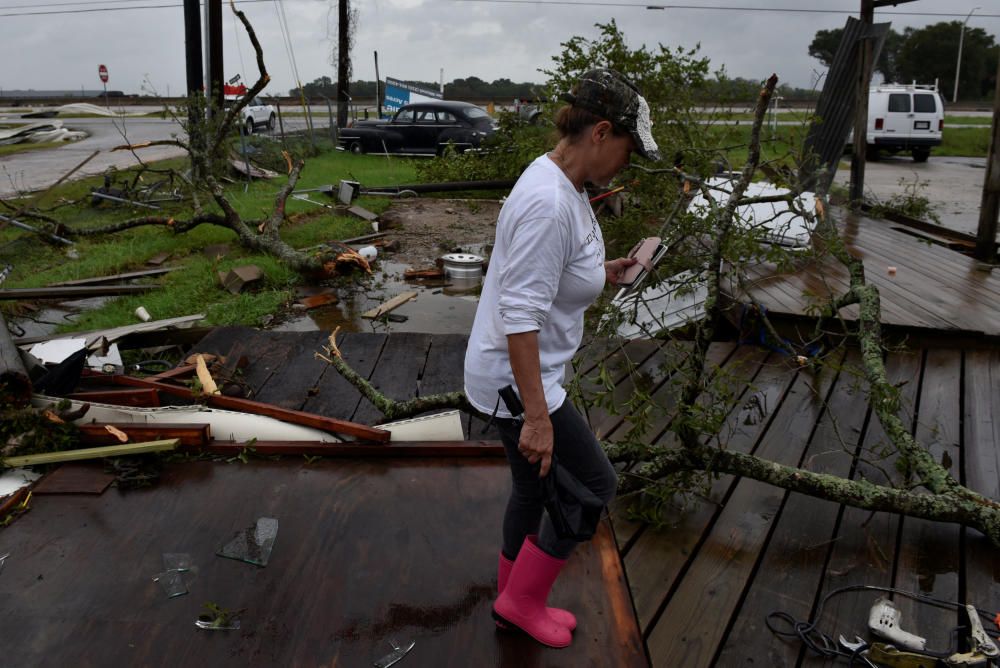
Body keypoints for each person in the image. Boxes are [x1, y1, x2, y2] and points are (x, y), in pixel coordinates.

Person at [463, 69, 660, 649]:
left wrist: (604, 271)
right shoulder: (550, 203)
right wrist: (538, 418)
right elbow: (519, 319)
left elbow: (549, 279)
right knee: (593, 488)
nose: (628, 163)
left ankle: (511, 601)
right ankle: (522, 601)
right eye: (628, 149)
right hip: (519, 382)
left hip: (518, 375)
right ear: (602, 131)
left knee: (531, 492)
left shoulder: (563, 185)